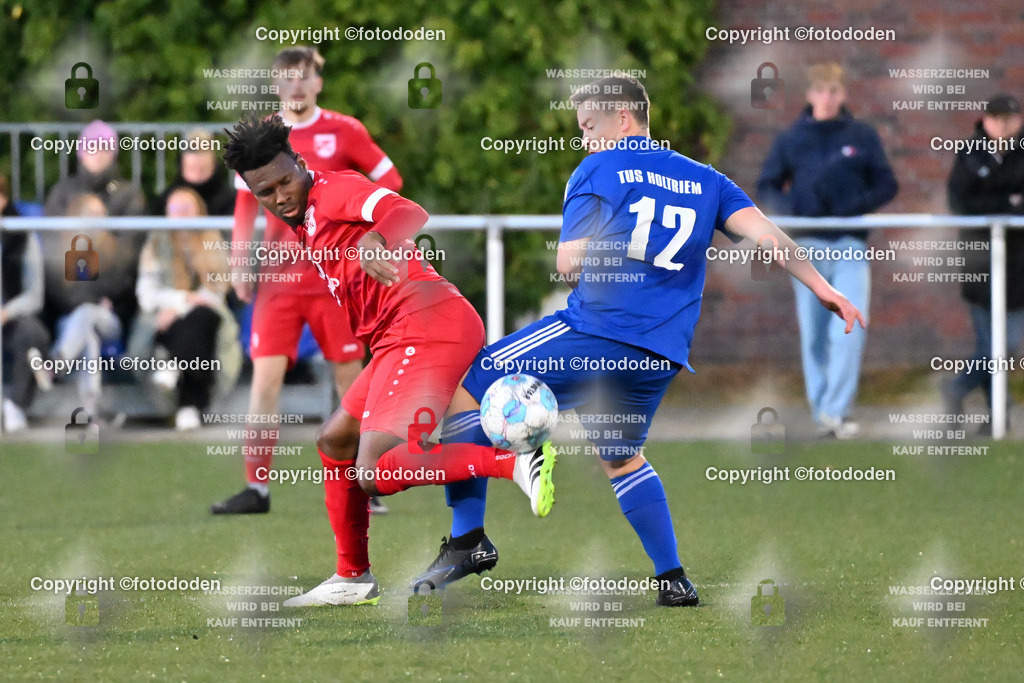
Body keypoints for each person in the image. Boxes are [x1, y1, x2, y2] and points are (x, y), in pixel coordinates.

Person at [412, 77, 866, 607]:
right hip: (658, 355)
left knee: (472, 382)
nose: (584, 139)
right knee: (623, 456)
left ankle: (468, 538)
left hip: (596, 331)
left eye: (589, 126)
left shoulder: (598, 170)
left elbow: (567, 265)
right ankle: (672, 578)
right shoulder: (706, 180)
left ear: (623, 118)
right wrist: (823, 287)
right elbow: (767, 236)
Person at [223, 113, 555, 606]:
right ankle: (352, 577)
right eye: (266, 193)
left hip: (426, 325)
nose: (280, 197)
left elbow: (407, 210)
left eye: (285, 181)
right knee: (334, 440)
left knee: (373, 470)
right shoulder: (300, 219)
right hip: (399, 337)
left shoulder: (334, 190)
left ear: (300, 163)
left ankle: (516, 463)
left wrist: (377, 238)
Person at [212, 46, 403, 515]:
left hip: (333, 280)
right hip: (278, 283)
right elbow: (243, 206)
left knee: (348, 378)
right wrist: (241, 262)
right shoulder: (261, 139)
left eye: (304, 76)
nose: (295, 86)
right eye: (285, 78)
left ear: (318, 81)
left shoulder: (344, 130)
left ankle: (366, 478)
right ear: (276, 84)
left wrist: (362, 231)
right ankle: (257, 488)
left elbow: (391, 181)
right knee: (264, 382)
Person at [757, 62, 897, 438]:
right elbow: (767, 186)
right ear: (809, 94)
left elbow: (887, 183)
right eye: (821, 91)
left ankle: (838, 410)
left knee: (848, 328)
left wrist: (855, 207)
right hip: (806, 248)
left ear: (843, 94)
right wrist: (795, 210)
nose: (827, 98)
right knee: (815, 333)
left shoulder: (861, 136)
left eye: (834, 91)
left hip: (849, 245)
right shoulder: (791, 140)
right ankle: (823, 412)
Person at [943, 93, 1024, 431]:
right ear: (986, 120)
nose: (1003, 125)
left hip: (1020, 266)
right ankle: (996, 417)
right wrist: (1008, 200)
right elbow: (959, 201)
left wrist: (992, 202)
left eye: (1010, 118)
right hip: (980, 264)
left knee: (1005, 345)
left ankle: (955, 388)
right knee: (989, 345)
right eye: (996, 118)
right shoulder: (969, 153)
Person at [131, 187, 241, 430]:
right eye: (175, 209)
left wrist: (182, 306)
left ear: (199, 212)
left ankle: (171, 364)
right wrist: (182, 303)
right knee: (189, 323)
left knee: (201, 319)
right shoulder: (155, 243)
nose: (180, 215)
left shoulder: (213, 241)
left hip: (203, 315)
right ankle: (190, 406)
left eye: (186, 208)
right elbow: (147, 293)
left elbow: (217, 290)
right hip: (162, 317)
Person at [1, 173, 51, 431]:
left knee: (33, 334)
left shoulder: (23, 236)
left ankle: (16, 405)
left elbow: (34, 295)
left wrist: (6, 312)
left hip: (11, 316)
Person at [44, 120, 146, 217]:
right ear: (81, 153)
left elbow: (134, 234)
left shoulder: (129, 195)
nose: (97, 153)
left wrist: (100, 231)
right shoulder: (63, 191)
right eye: (91, 146)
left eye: (105, 148)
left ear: (113, 155)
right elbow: (50, 231)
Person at [152, 130, 236, 216]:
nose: (197, 158)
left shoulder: (231, 201)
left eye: (203, 151)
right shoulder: (165, 200)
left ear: (214, 162)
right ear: (182, 161)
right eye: (192, 150)